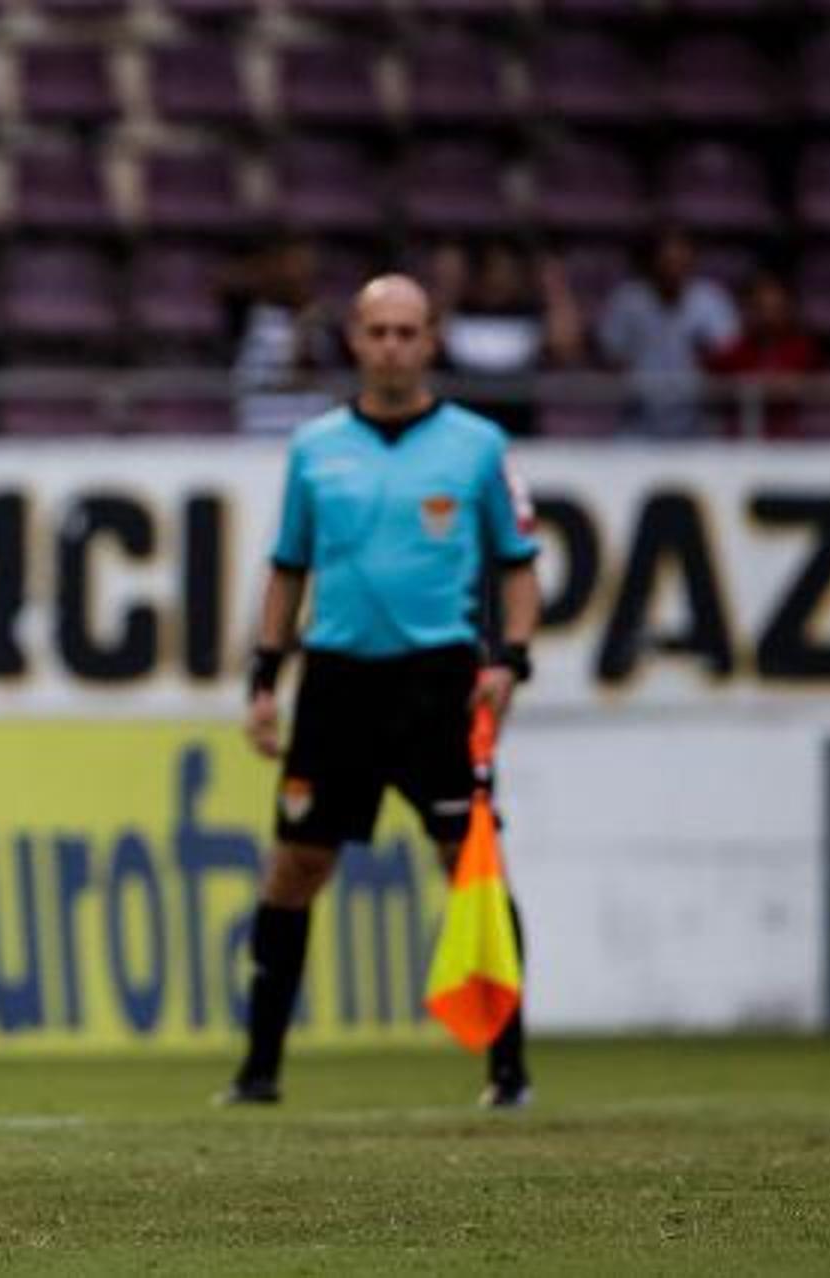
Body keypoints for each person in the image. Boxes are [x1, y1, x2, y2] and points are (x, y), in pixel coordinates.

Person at [226, 275, 542, 1109]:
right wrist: (265, 678)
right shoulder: (315, 447)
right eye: (379, 331)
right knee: (295, 867)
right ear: (357, 341)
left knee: (470, 866)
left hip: (439, 682)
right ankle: (259, 1073)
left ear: (432, 340)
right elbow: (286, 571)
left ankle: (507, 1070)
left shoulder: (477, 446)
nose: (394, 345)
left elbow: (518, 567)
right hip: (336, 682)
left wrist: (509, 659)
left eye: (409, 331)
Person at [596, 227, 739, 436]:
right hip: (639, 418)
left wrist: (709, 358)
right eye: (667, 262)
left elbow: (730, 359)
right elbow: (611, 358)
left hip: (698, 418)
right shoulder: (628, 301)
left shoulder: (711, 301)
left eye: (681, 262)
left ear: (691, 263)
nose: (674, 269)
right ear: (653, 262)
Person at [433, 240, 584, 438]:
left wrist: (554, 285)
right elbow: (429, 344)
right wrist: (448, 286)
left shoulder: (531, 313)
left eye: (508, 270)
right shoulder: (458, 311)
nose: (499, 277)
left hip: (521, 437)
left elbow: (567, 348)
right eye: (492, 269)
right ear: (477, 275)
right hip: (460, 435)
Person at [226, 237, 346, 435]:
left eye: (307, 272)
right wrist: (302, 334)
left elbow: (329, 379)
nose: (301, 277)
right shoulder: (250, 319)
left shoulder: (318, 324)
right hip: (264, 433)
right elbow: (283, 376)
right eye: (293, 268)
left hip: (311, 433)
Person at [704, 269, 825, 439]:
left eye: (776, 309)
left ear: (788, 309)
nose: (768, 316)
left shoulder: (804, 350)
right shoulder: (733, 350)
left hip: (793, 445)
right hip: (740, 443)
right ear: (749, 309)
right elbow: (714, 387)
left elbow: (820, 390)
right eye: (761, 308)